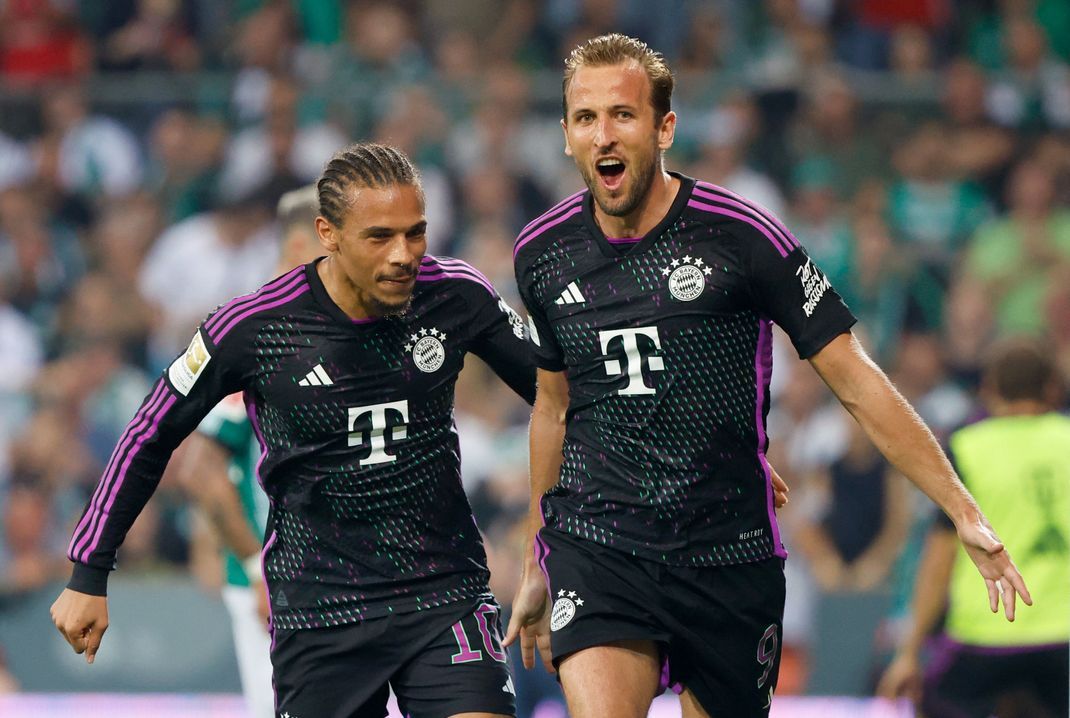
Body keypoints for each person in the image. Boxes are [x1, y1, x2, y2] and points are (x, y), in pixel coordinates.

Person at [505, 33, 1031, 718]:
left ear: (664, 127)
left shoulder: (743, 236)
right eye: (585, 118)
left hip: (730, 551)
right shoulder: (540, 253)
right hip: (601, 544)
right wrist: (535, 555)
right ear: (568, 135)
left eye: (623, 115)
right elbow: (552, 408)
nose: (603, 134)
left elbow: (855, 377)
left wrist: (962, 509)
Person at [50, 142, 537, 718]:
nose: (404, 254)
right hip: (320, 606)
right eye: (380, 236)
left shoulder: (456, 294)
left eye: (416, 232)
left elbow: (562, 399)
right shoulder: (252, 327)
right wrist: (89, 569)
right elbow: (151, 431)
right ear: (327, 233)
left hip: (443, 592)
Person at [171, 184, 323, 718]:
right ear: (307, 242)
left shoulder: (323, 327)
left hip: (337, 574)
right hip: (278, 584)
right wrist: (259, 572)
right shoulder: (260, 334)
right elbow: (202, 468)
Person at [878, 338, 1069, 718]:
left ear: (989, 390)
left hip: (985, 635)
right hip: (1063, 638)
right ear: (1052, 388)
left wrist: (910, 651)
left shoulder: (966, 447)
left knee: (932, 701)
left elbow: (939, 558)